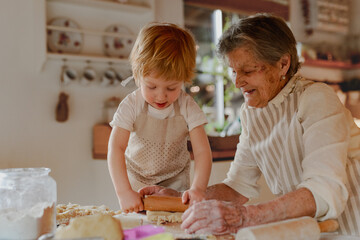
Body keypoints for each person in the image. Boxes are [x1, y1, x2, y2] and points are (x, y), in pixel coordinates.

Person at [139, 14, 360, 236]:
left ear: (283, 64)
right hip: (317, 231)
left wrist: (245, 217)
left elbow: (323, 189)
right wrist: (182, 197)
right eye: (234, 71)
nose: (237, 82)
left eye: (248, 70)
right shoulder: (252, 113)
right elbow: (237, 187)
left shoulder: (316, 99)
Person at [107, 22, 212, 213]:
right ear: (138, 76)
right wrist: (124, 192)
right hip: (136, 183)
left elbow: (203, 152)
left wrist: (198, 188)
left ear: (184, 79)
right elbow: (116, 148)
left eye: (172, 88)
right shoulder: (131, 105)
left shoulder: (187, 106)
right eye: (152, 87)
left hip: (176, 184)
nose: (161, 96)